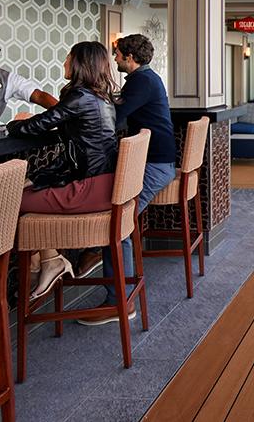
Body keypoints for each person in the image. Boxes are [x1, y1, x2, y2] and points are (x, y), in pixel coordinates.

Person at [7, 41, 119, 303]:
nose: (64, 63)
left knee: (11, 201)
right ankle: (48, 259)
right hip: (105, 185)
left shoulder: (80, 97)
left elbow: (33, 127)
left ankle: (43, 263)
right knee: (27, 192)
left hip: (89, 189)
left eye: (68, 58)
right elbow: (73, 151)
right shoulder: (102, 98)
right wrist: (36, 178)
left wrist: (17, 122)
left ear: (80, 63)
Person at [77, 33, 176, 326]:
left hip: (154, 166)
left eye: (117, 54)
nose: (115, 59)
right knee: (119, 222)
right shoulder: (145, 79)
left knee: (117, 224)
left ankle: (118, 301)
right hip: (158, 162)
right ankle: (109, 274)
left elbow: (117, 116)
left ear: (129, 58)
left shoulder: (140, 81)